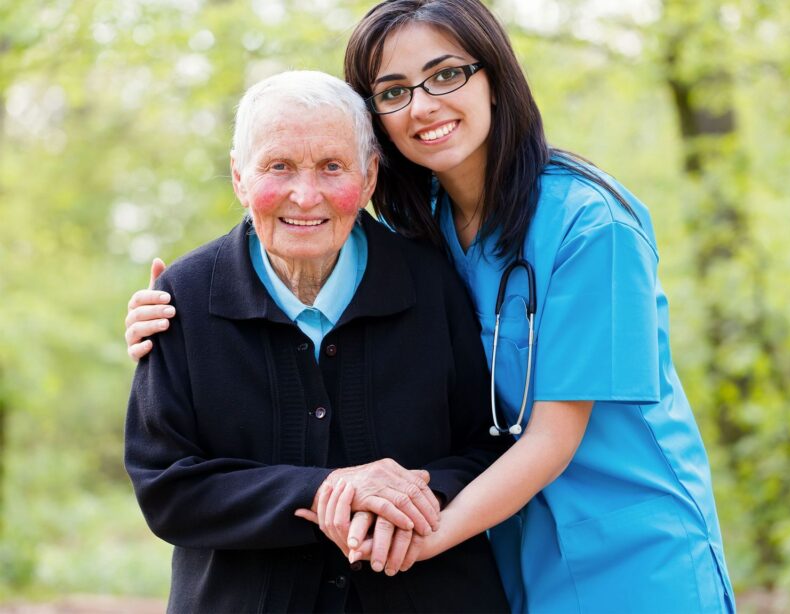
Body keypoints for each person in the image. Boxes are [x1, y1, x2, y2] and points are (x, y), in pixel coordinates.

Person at [126, 1, 736, 612]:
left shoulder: (590, 226)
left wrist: (406, 537)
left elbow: (552, 435)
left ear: (495, 76)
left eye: (447, 75)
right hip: (506, 545)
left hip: (627, 551)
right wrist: (179, 316)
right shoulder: (425, 230)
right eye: (394, 91)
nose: (422, 106)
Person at [124, 69, 510, 614]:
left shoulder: (432, 281)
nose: (305, 196)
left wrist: (417, 495)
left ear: (370, 176)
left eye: (332, 167)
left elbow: (486, 446)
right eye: (278, 166)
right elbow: (167, 488)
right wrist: (330, 489)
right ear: (239, 177)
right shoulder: (181, 300)